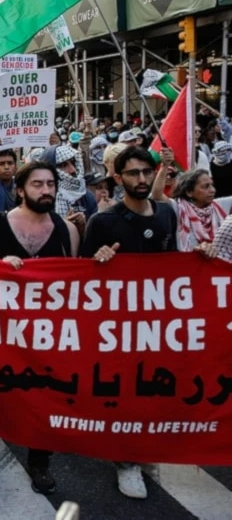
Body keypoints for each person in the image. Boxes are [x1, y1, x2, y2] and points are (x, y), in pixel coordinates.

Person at [0, 162, 80, 495]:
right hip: (1, 330)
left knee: (42, 394)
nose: (46, 190)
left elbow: (75, 281)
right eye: (37, 184)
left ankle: (39, 459)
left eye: (50, 184)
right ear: (21, 190)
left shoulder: (66, 230)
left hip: (46, 334)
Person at [82, 146, 177, 500]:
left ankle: (144, 447)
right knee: (123, 393)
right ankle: (125, 461)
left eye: (145, 172)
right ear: (118, 178)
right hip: (116, 327)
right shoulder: (103, 221)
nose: (141, 179)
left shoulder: (167, 214)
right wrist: (98, 260)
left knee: (152, 389)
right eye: (133, 173)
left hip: (156, 324)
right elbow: (80, 277)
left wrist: (202, 259)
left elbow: (175, 265)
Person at [152, 153, 227, 252]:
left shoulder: (219, 206)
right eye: (206, 186)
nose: (212, 190)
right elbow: (157, 195)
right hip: (188, 263)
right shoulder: (179, 208)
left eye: (212, 185)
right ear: (189, 192)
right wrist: (164, 166)